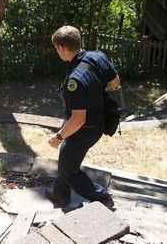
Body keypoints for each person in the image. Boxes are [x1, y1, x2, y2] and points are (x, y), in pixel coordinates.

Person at [46, 25, 121, 208]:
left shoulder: (75, 80)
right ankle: (60, 196)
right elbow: (115, 83)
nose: (57, 51)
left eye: (56, 48)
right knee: (66, 160)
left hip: (84, 129)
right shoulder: (98, 57)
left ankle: (101, 197)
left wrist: (58, 137)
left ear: (62, 48)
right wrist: (96, 92)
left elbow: (78, 119)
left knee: (68, 168)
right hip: (98, 120)